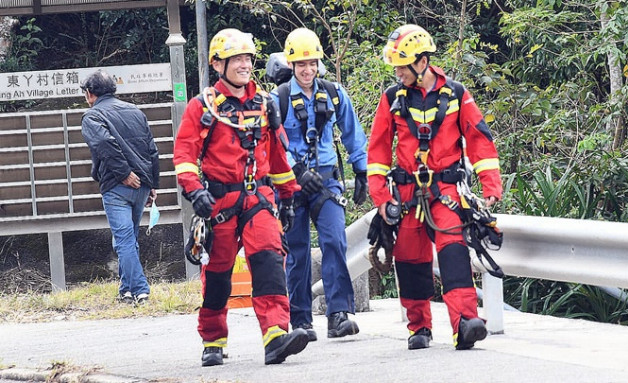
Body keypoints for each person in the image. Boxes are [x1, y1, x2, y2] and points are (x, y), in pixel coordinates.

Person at [173, 28, 309, 366]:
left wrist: (289, 195)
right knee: (217, 275)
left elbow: (277, 157)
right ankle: (213, 339)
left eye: (248, 58)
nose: (245, 64)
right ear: (219, 65)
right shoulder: (202, 107)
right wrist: (194, 189)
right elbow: (184, 154)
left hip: (258, 197)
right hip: (217, 201)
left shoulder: (265, 104)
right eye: (237, 59)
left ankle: (276, 334)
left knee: (268, 261)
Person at [367, 24, 502, 351]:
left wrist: (490, 186)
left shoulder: (456, 94)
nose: (397, 72)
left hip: (446, 191)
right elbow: (378, 153)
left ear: (421, 62)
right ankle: (419, 326)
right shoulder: (391, 99)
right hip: (408, 193)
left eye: (402, 65)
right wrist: (382, 199)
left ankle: (465, 323)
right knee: (410, 258)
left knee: (454, 252)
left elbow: (479, 139)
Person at [270, 27, 368, 341]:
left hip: (327, 181)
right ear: (291, 65)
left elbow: (353, 132)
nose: (307, 70)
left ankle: (338, 314)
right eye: (301, 65)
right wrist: (296, 170)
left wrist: (362, 170)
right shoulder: (279, 98)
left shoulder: (334, 92)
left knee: (335, 242)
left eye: (312, 63)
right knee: (297, 251)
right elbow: (272, 143)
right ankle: (300, 320)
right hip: (291, 185)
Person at [80, 70, 159, 305]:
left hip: (116, 186)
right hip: (142, 185)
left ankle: (140, 290)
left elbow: (103, 143)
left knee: (124, 239)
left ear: (90, 94)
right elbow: (152, 149)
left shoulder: (92, 117)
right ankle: (125, 290)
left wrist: (124, 174)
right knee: (128, 238)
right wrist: (152, 184)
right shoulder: (135, 111)